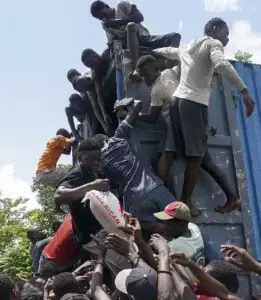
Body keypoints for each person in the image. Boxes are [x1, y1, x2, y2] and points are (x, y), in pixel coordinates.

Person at [152, 18, 255, 214]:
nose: (227, 39)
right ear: (215, 30)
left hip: (177, 103)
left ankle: (232, 198)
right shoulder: (212, 43)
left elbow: (168, 52)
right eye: (226, 33)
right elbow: (222, 64)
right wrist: (244, 90)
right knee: (195, 158)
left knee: (201, 158)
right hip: (193, 104)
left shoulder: (189, 46)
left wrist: (151, 52)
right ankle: (184, 202)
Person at [93, 98, 176, 222]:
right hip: (153, 187)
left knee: (156, 232)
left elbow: (111, 186)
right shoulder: (118, 137)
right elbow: (138, 104)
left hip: (135, 200)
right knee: (181, 222)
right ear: (106, 139)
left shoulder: (101, 165)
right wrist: (121, 106)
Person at [54, 138, 109, 246]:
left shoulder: (95, 172)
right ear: (79, 158)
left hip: (102, 233)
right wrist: (91, 186)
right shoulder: (77, 173)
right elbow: (58, 196)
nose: (96, 163)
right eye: (91, 159)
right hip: (90, 240)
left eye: (98, 159)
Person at [134, 55, 179, 184]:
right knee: (159, 158)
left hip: (174, 124)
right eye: (142, 77)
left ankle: (163, 194)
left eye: (146, 75)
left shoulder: (155, 90)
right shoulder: (169, 73)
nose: (144, 79)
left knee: (164, 158)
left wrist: (133, 114)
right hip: (182, 122)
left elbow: (152, 117)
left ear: (154, 67)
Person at [90, 0, 181, 49]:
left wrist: (118, 22)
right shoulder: (106, 25)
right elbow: (113, 42)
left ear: (106, 6)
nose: (104, 18)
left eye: (103, 15)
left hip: (143, 38)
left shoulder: (122, 5)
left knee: (174, 37)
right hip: (129, 48)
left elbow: (139, 17)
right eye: (101, 18)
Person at [153, 201, 205, 281]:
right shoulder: (194, 227)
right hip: (200, 271)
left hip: (191, 282)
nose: (164, 225)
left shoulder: (175, 247)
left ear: (182, 224)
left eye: (168, 223)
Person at [81, 48, 116, 135]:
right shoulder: (96, 72)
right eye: (89, 67)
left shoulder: (109, 53)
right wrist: (104, 114)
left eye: (91, 65)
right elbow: (99, 94)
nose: (91, 68)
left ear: (96, 57)